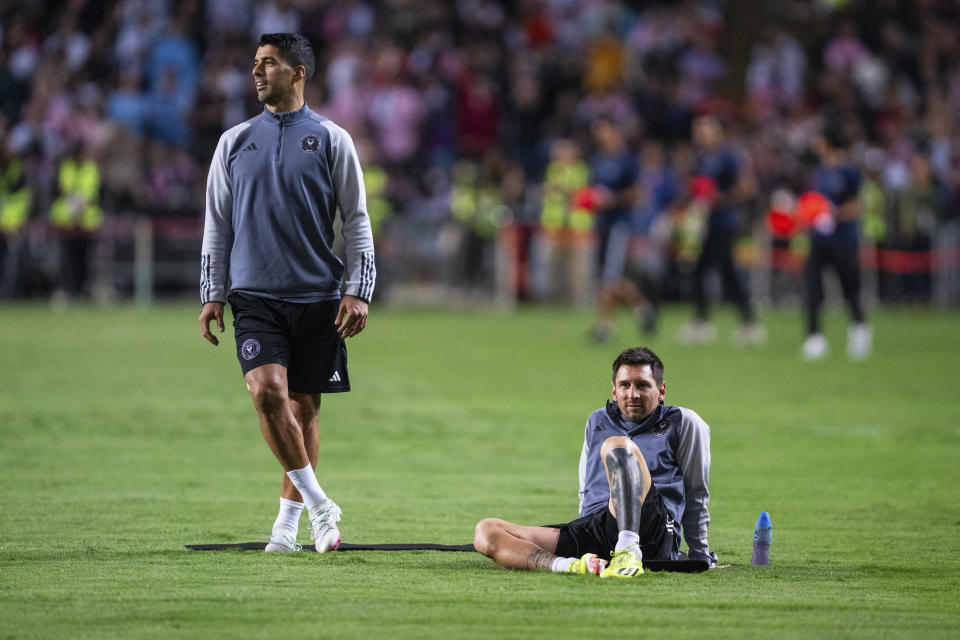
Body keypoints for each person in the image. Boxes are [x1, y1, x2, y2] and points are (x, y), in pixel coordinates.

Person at [198, 33, 376, 553]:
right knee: (266, 393)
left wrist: (358, 289)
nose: (257, 72)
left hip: (318, 296)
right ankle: (322, 506)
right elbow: (216, 226)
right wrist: (212, 291)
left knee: (303, 410)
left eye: (269, 63)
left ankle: (286, 527)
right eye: (255, 63)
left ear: (298, 72)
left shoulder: (331, 139)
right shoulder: (233, 141)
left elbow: (358, 222)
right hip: (253, 296)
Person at [474, 347, 715, 578]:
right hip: (599, 525)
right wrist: (581, 536)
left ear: (661, 390)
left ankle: (628, 550)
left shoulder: (684, 422)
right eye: (625, 385)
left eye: (642, 385)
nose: (633, 394)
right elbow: (587, 488)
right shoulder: (597, 420)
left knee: (618, 446)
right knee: (487, 532)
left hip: (654, 528)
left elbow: (697, 493)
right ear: (614, 391)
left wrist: (699, 553)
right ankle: (571, 567)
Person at [678, 114, 764, 345]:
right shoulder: (701, 158)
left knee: (718, 272)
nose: (699, 134)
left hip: (725, 221)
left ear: (717, 131)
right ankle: (711, 322)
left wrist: (720, 199)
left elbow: (747, 188)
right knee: (706, 270)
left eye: (704, 129)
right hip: (706, 222)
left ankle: (742, 323)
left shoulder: (729, 155)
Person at [801, 125, 870, 360]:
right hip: (819, 239)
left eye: (817, 138)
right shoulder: (819, 170)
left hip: (843, 239)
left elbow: (858, 205)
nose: (813, 142)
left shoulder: (849, 170)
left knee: (849, 287)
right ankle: (814, 337)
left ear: (828, 141)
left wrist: (834, 213)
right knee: (811, 287)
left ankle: (859, 330)